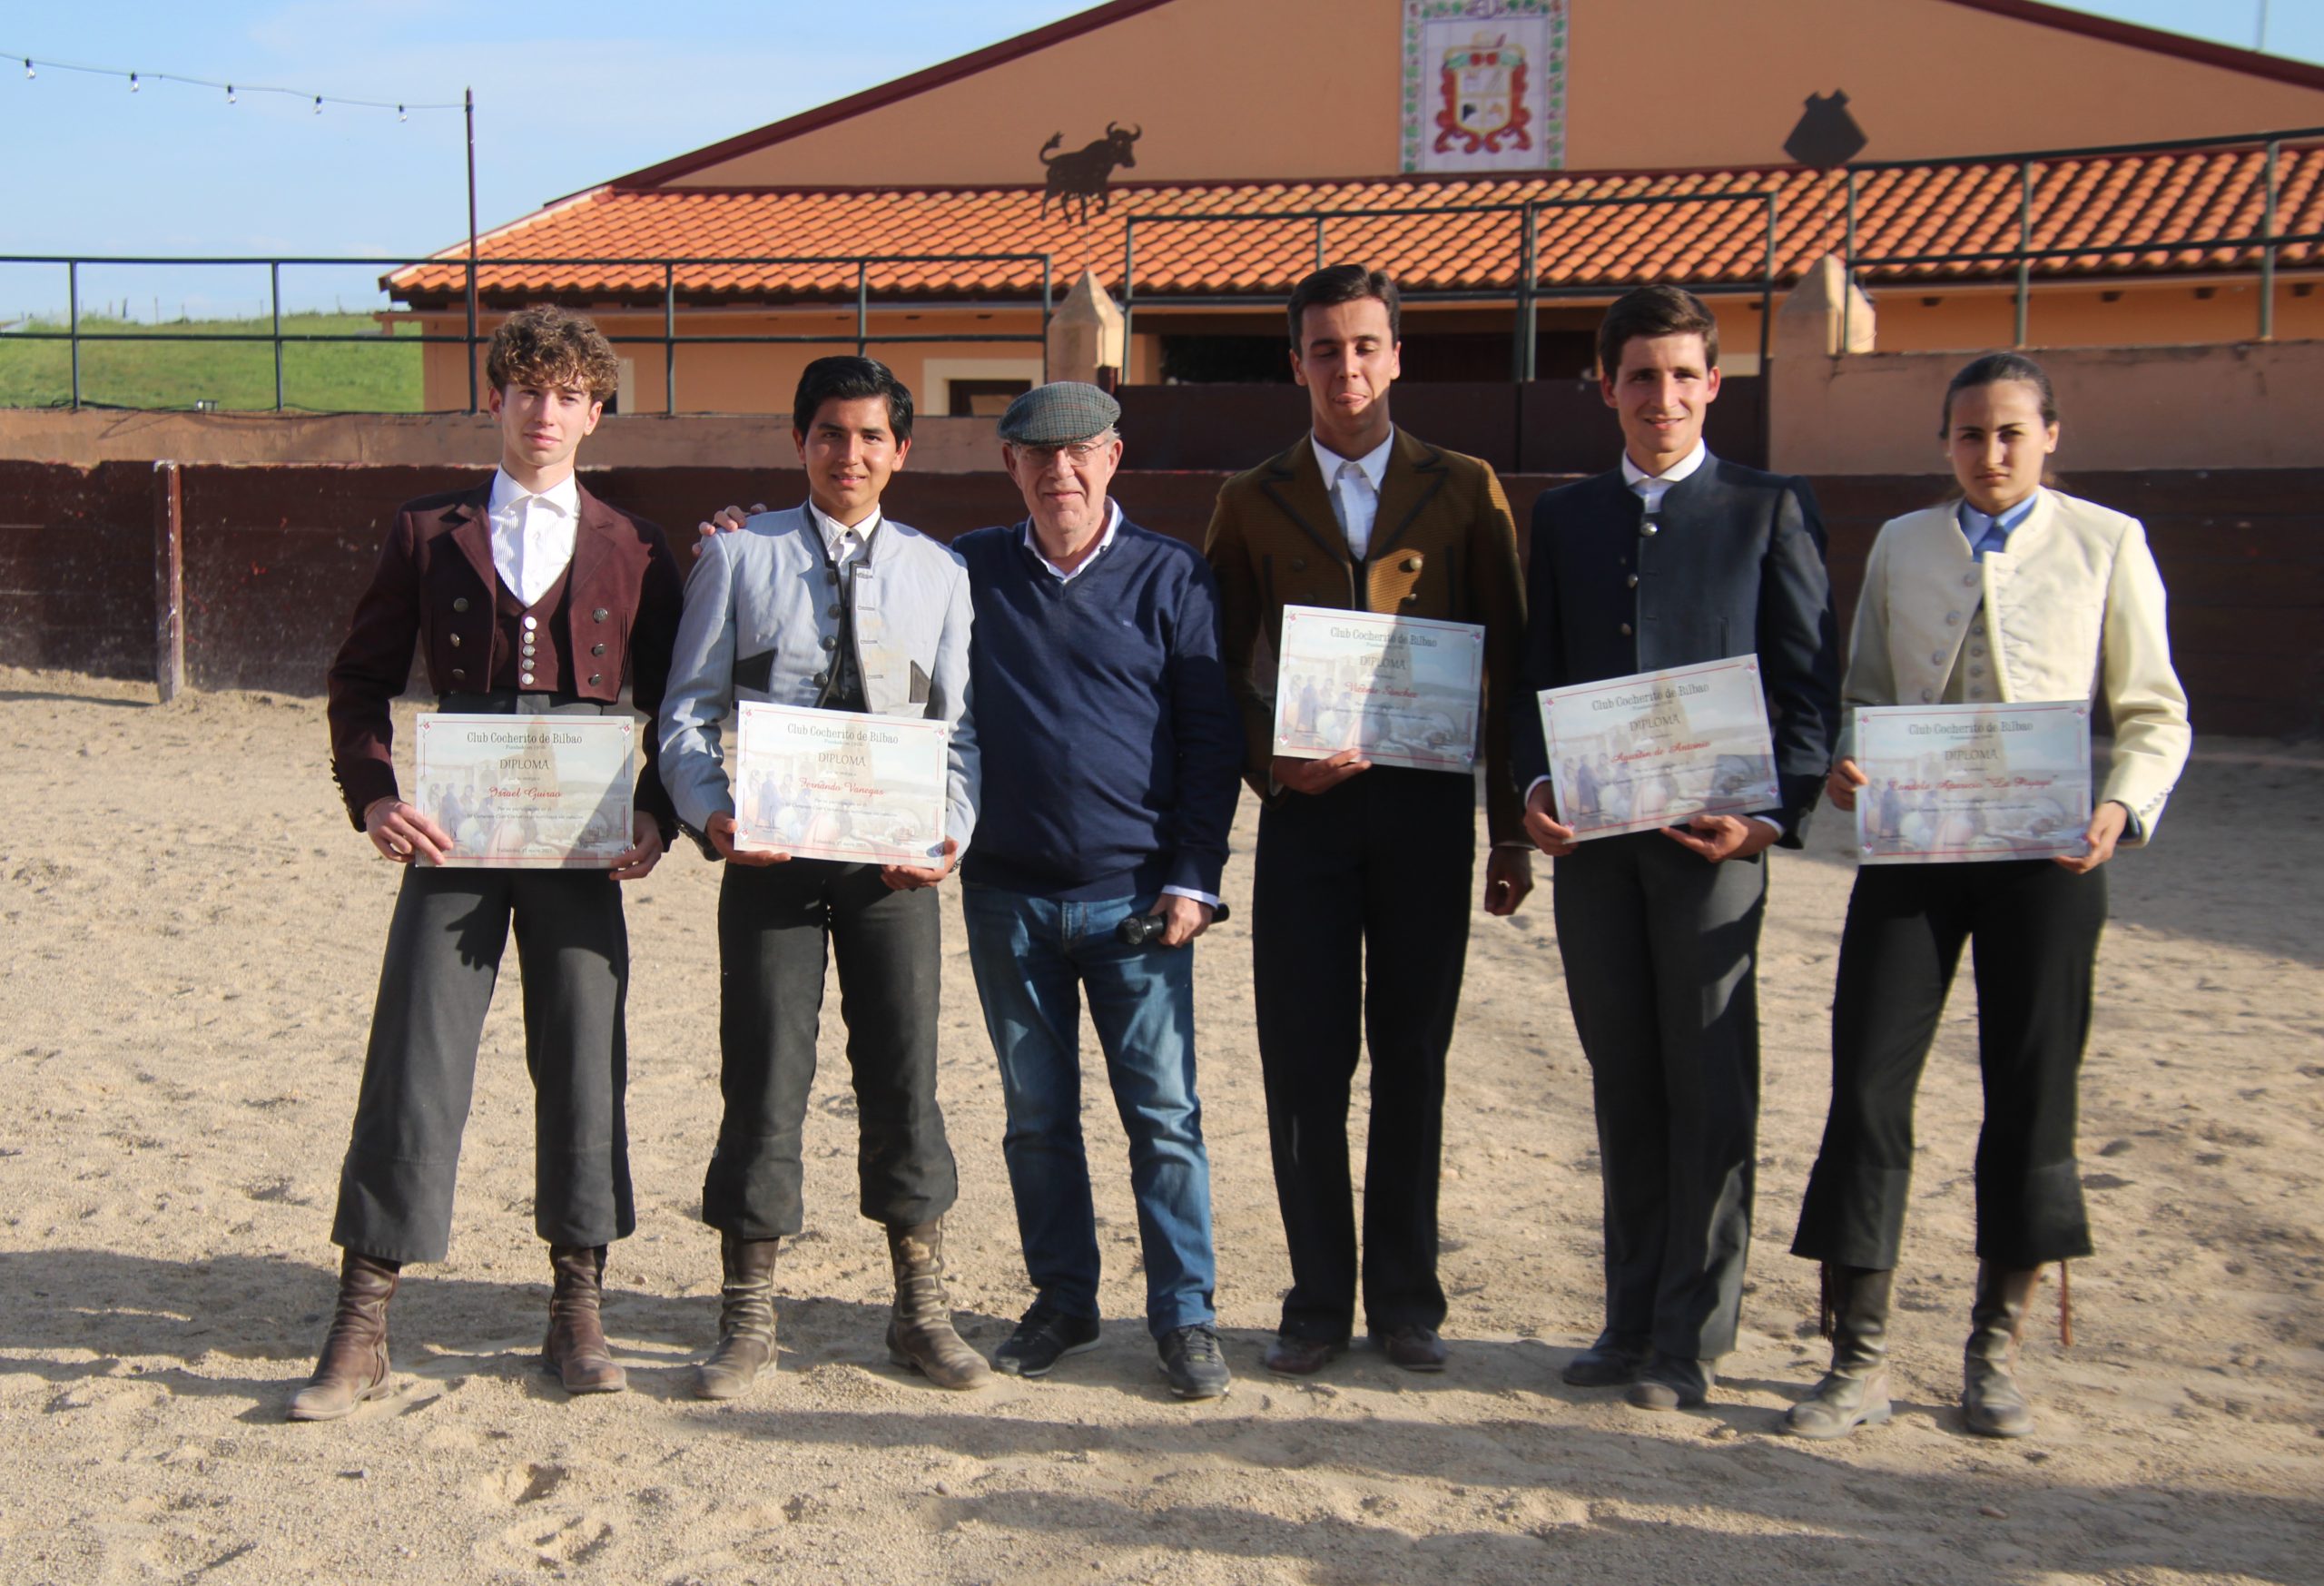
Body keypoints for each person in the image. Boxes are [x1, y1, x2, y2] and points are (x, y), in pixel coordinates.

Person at [1784, 352, 2190, 1441]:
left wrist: (2121, 807)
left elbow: (2153, 710)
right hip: (1914, 849)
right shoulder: (1907, 546)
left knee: (2030, 1087)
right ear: (1945, 442)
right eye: (1969, 435)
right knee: (1867, 1082)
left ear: (2050, 435)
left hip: (2049, 858)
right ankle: (1857, 1352)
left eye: (2011, 433)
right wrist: (1851, 758)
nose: (1990, 453)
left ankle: (1991, 1350)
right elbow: (1865, 692)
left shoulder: (2105, 542)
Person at [298, 305, 682, 1420]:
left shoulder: (637, 544)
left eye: (567, 394)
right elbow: (358, 681)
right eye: (527, 390)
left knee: (583, 1053)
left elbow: (677, 700)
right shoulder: (428, 529)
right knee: (415, 1050)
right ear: (497, 400)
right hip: (459, 828)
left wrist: (656, 813)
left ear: (595, 412)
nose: (545, 412)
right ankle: (363, 1316)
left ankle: (577, 1311)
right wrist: (374, 795)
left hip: (579, 835)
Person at [1512, 284, 1840, 1412]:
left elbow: (1807, 694)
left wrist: (1768, 817)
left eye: (1681, 374)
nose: (1660, 396)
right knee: (1624, 1080)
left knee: (1708, 1082)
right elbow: (1535, 676)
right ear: (1606, 386)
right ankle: (1627, 1315)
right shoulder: (1564, 517)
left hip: (1713, 846)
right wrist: (1534, 783)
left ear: (1713, 384)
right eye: (1638, 376)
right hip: (1598, 848)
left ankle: (1690, 1334)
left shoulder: (1767, 508)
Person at [1206, 264, 1534, 1377]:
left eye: (1364, 345)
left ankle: (1404, 1298)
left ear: (1397, 355)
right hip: (1306, 819)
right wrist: (1269, 761)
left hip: (1427, 817)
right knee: (1303, 1065)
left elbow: (1511, 662)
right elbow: (1216, 668)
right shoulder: (1251, 494)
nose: (1345, 367)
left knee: (1413, 1059)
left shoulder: (1465, 485)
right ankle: (1313, 1300)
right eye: (1323, 348)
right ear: (1294, 361)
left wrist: (1508, 831)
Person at [659, 356, 988, 1397]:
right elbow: (682, 714)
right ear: (799, 441)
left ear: (902, 449)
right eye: (830, 434)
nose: (850, 454)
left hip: (892, 870)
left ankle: (917, 1306)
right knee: (762, 1072)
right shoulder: (740, 556)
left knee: (904, 1075)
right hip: (770, 857)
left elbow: (960, 734)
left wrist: (948, 835)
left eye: (871, 437)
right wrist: (713, 814)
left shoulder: (939, 574)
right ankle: (748, 1310)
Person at [950, 383, 1243, 1400]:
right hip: (1006, 896)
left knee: (1163, 1115)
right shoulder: (969, 567)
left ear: (1113, 458)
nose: (1058, 473)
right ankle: (1065, 1300)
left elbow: (1211, 743)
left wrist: (1194, 877)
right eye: (1037, 456)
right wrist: (738, 534)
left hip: (1135, 902)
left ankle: (1186, 1315)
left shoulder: (1171, 576)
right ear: (1010, 466)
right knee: (1036, 1116)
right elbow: (864, 583)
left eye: (1078, 454)